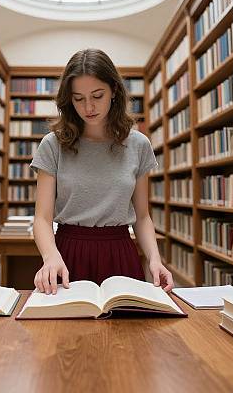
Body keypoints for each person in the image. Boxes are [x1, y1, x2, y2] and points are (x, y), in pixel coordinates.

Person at [30, 48, 174, 295]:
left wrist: (154, 258)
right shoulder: (53, 145)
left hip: (120, 253)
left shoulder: (138, 145)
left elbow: (142, 216)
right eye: (78, 98)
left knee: (128, 330)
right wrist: (50, 255)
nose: (88, 107)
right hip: (66, 255)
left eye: (97, 95)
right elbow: (42, 218)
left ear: (114, 91)